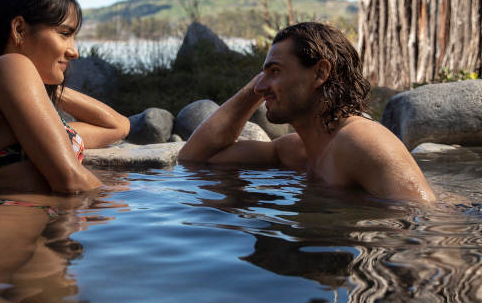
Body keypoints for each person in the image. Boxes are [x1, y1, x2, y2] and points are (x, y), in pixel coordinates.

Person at [178, 22, 436, 203]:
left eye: (275, 72)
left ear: (320, 73)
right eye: (261, 75)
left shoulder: (361, 141)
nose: (259, 87)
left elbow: (425, 223)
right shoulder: (298, 151)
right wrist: (256, 87)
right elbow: (193, 159)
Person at [0, 0, 129, 193]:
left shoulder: (27, 118)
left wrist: (44, 91)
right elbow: (71, 179)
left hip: (37, 221)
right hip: (18, 222)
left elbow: (118, 126)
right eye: (64, 34)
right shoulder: (11, 66)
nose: (74, 51)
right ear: (19, 30)